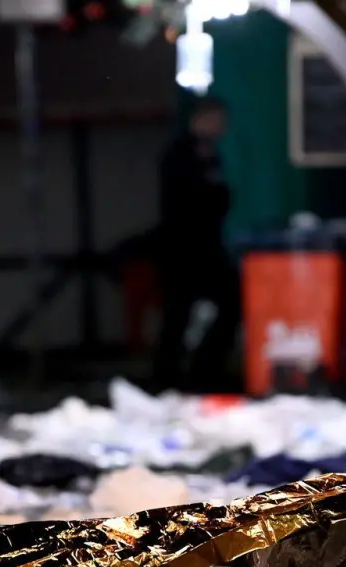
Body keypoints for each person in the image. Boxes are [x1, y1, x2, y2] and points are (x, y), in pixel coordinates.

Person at [153, 96, 239, 391]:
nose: (220, 128)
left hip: (208, 249)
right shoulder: (180, 156)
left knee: (229, 306)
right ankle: (166, 381)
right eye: (215, 120)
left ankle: (204, 374)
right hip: (182, 250)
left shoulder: (211, 157)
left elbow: (220, 201)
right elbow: (186, 205)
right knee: (176, 316)